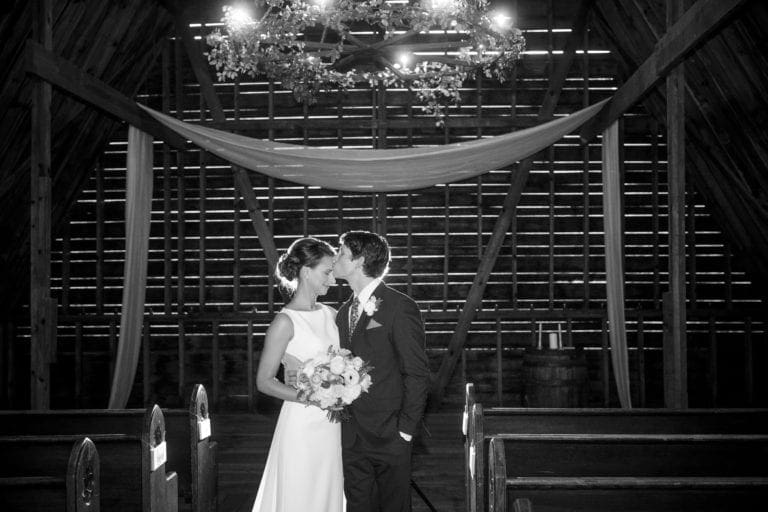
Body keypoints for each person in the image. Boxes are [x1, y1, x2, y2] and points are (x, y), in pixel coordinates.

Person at [332, 230, 430, 512]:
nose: (336, 258)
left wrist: (405, 432)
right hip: (351, 435)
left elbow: (417, 373)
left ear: (358, 261)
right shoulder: (343, 312)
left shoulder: (400, 307)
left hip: (390, 435)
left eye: (341, 253)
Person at [251, 237, 344, 512]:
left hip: (334, 424)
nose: (333, 280)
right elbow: (264, 382)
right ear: (306, 271)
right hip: (302, 424)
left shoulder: (331, 314)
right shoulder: (285, 322)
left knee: (329, 490)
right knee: (301, 493)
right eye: (327, 272)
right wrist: (310, 397)